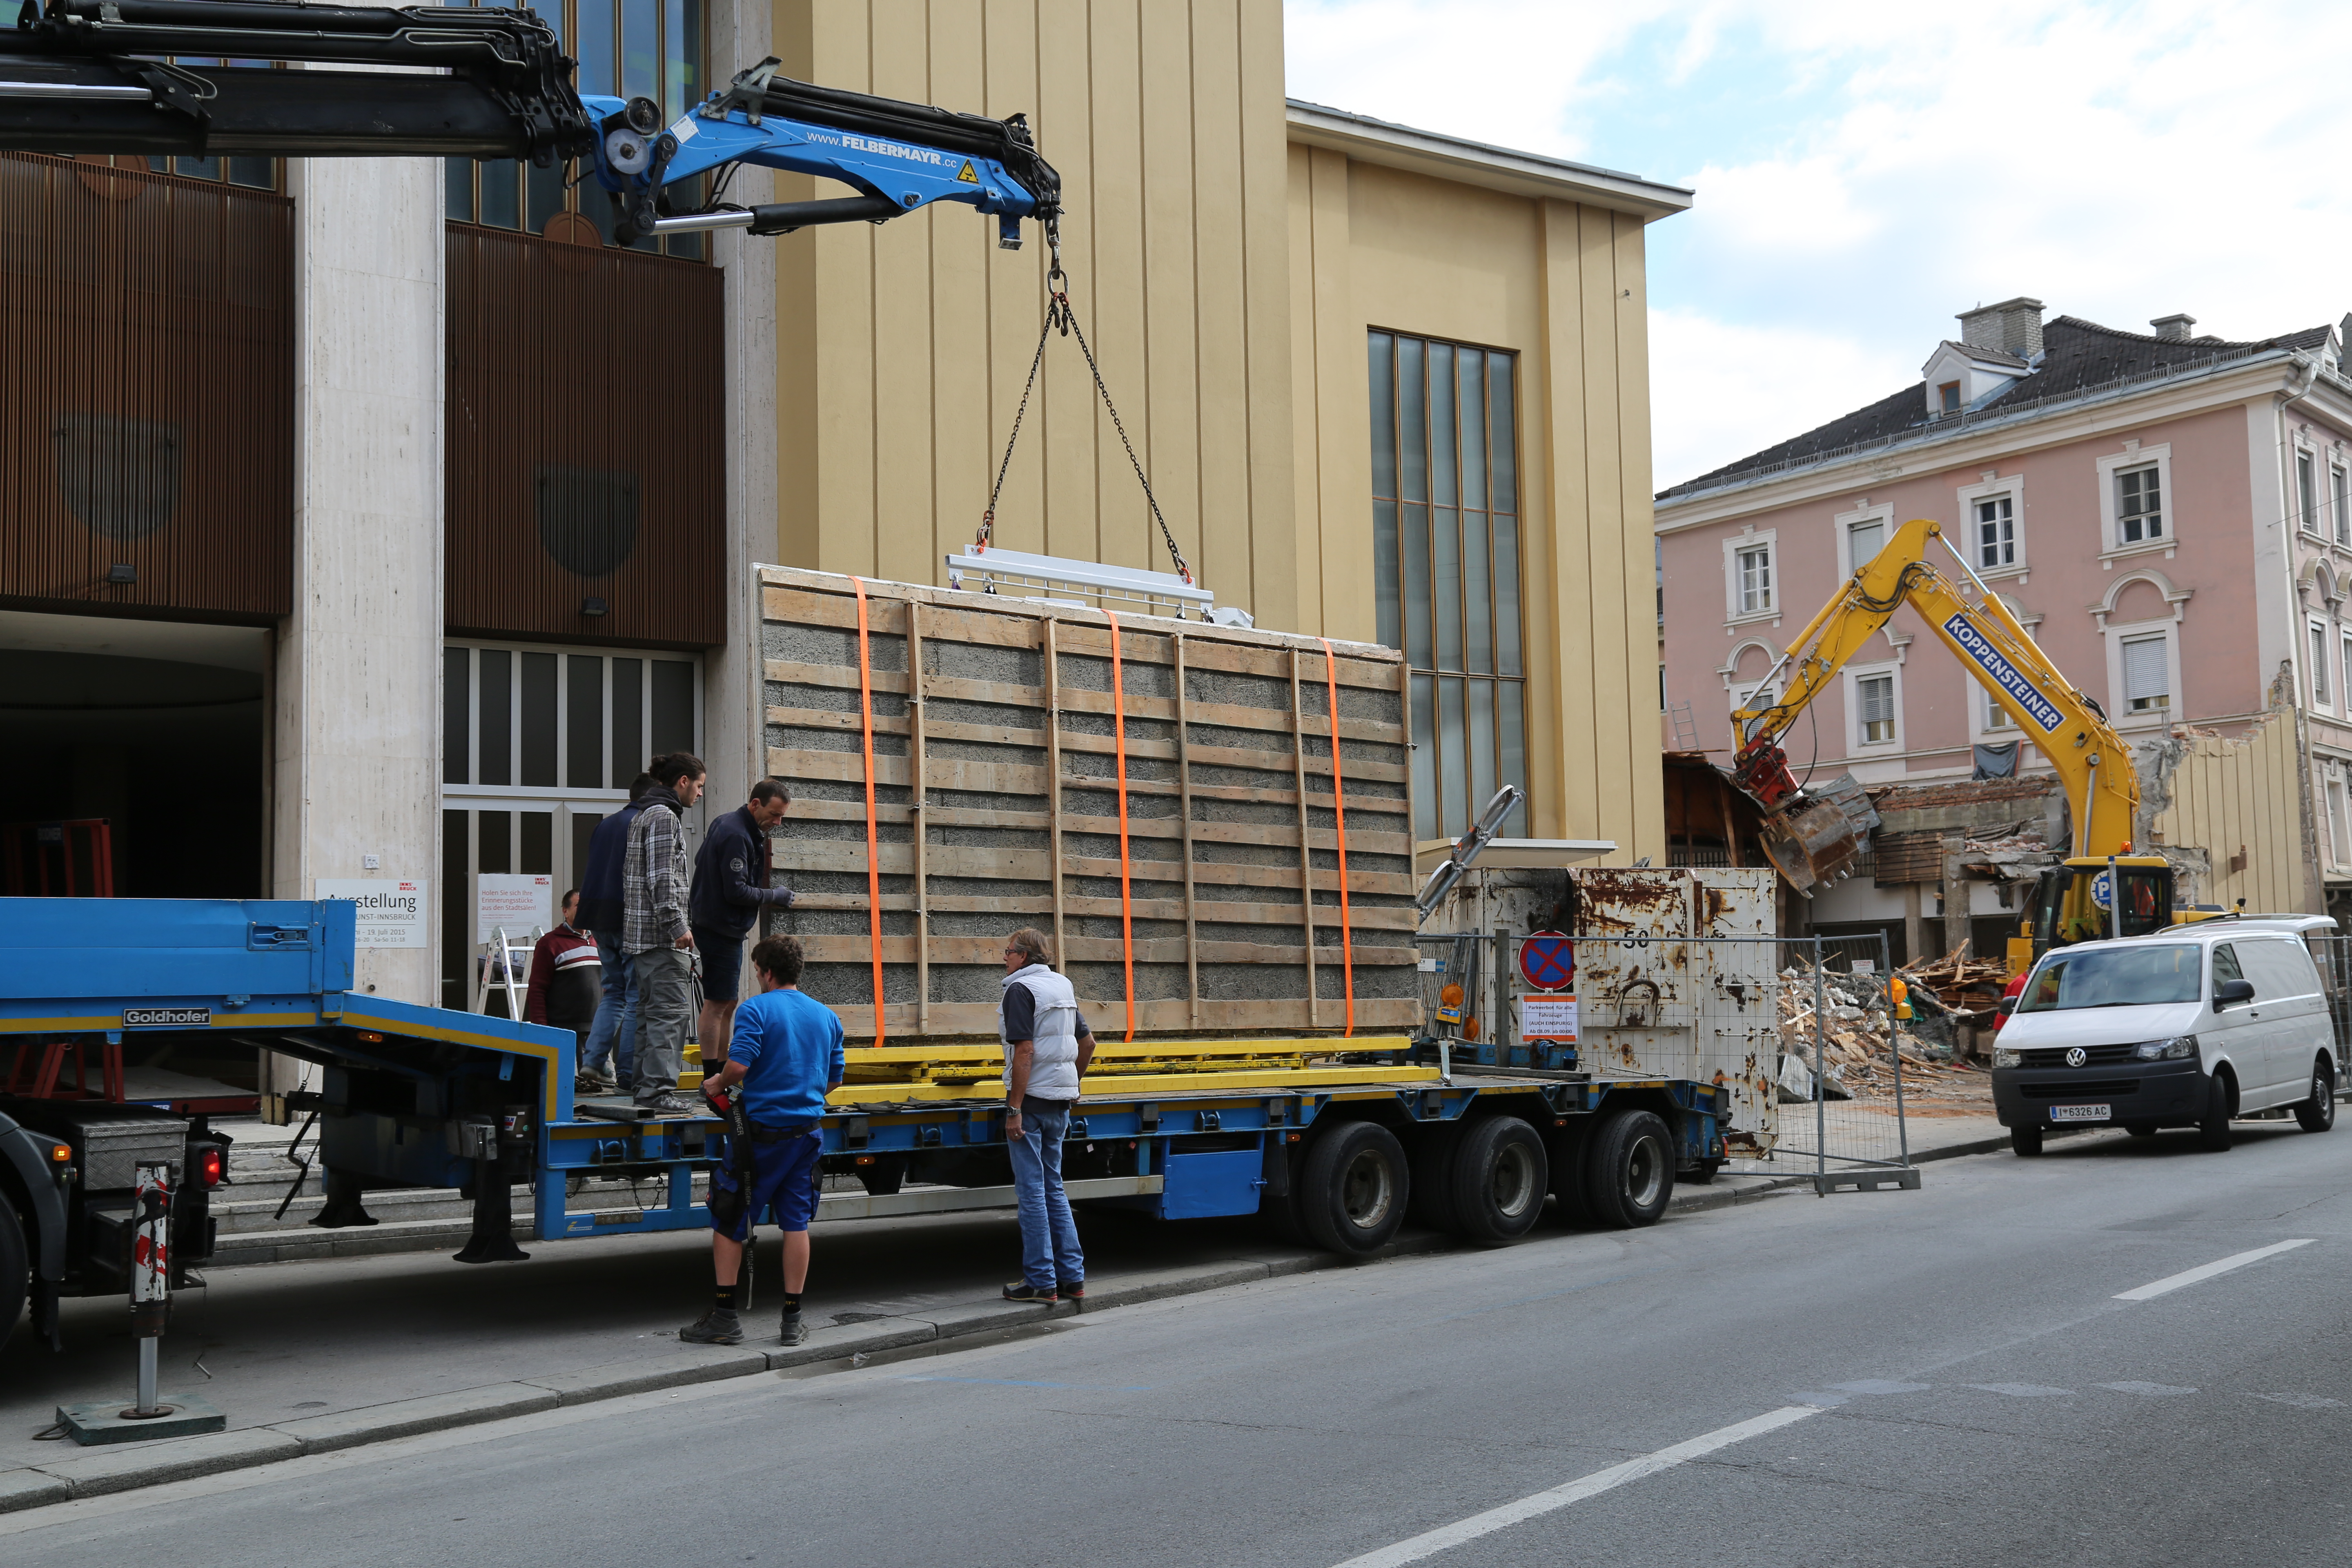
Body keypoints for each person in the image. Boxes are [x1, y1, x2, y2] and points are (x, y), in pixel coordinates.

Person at [681, 935, 843, 1348]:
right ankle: (792, 1321)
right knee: (796, 1224)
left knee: (730, 1219)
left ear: (767, 972)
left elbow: (738, 1066)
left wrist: (716, 1081)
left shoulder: (756, 1009)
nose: (757, 978)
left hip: (760, 1140)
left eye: (757, 972)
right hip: (807, 1137)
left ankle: (725, 1317)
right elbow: (834, 1079)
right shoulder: (826, 1016)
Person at [997, 927, 1095, 1305]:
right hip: (1059, 1104)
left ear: (1023, 956)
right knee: (1054, 1188)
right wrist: (1072, 1084)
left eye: (1007, 952)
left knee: (1033, 1193)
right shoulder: (1062, 987)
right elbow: (1088, 1043)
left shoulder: (1020, 990)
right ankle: (1072, 1278)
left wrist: (1014, 1109)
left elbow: (1024, 1051)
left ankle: (1041, 1281)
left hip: (1032, 1104)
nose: (1004, 959)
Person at [690, 778, 797, 1064]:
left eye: (782, 816)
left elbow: (702, 860)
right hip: (719, 928)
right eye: (774, 814)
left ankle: (720, 1068)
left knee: (727, 1002)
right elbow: (736, 890)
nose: (778, 822)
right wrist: (775, 894)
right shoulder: (737, 835)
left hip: (718, 925)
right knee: (717, 1004)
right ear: (755, 805)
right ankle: (713, 1076)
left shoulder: (727, 823)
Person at [624, 751, 706, 1114]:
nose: (700, 794)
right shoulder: (664, 817)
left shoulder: (644, 814)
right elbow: (661, 879)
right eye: (699, 786)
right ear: (683, 782)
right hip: (661, 939)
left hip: (644, 941)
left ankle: (645, 1089)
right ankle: (657, 1092)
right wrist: (679, 927)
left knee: (648, 1018)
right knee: (669, 1017)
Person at [574, 771, 655, 1094]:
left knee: (614, 993)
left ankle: (592, 1061)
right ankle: (627, 1076)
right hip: (627, 917)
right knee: (636, 997)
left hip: (597, 916)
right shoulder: (645, 823)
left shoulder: (605, 824)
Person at [524, 889, 602, 1087]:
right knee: (568, 1091)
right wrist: (542, 1026)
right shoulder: (550, 944)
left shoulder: (601, 942)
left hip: (597, 1033)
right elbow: (537, 989)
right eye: (578, 905)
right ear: (565, 911)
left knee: (602, 1092)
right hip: (566, 1033)